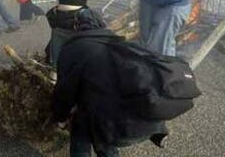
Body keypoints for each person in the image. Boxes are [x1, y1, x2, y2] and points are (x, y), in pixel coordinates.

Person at [53, 15, 168, 157]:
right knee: (104, 133)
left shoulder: (73, 49)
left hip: (111, 123)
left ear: (76, 28)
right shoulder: (122, 44)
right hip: (144, 122)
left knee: (82, 124)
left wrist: (61, 118)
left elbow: (64, 92)